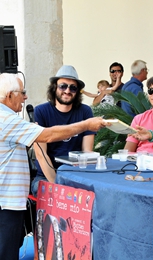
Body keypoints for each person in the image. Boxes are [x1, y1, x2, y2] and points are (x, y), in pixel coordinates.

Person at [0, 73, 107, 260]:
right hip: (6, 203)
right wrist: (86, 125)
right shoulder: (6, 119)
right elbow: (47, 136)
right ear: (9, 96)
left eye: (73, 87)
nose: (25, 97)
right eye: (22, 93)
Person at [31, 65, 103, 197]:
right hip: (47, 177)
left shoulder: (85, 111)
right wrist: (59, 186)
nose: (67, 91)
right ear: (54, 88)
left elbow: (86, 152)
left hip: (75, 176)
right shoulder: (41, 111)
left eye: (73, 87)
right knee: (56, 195)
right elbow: (41, 155)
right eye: (63, 86)